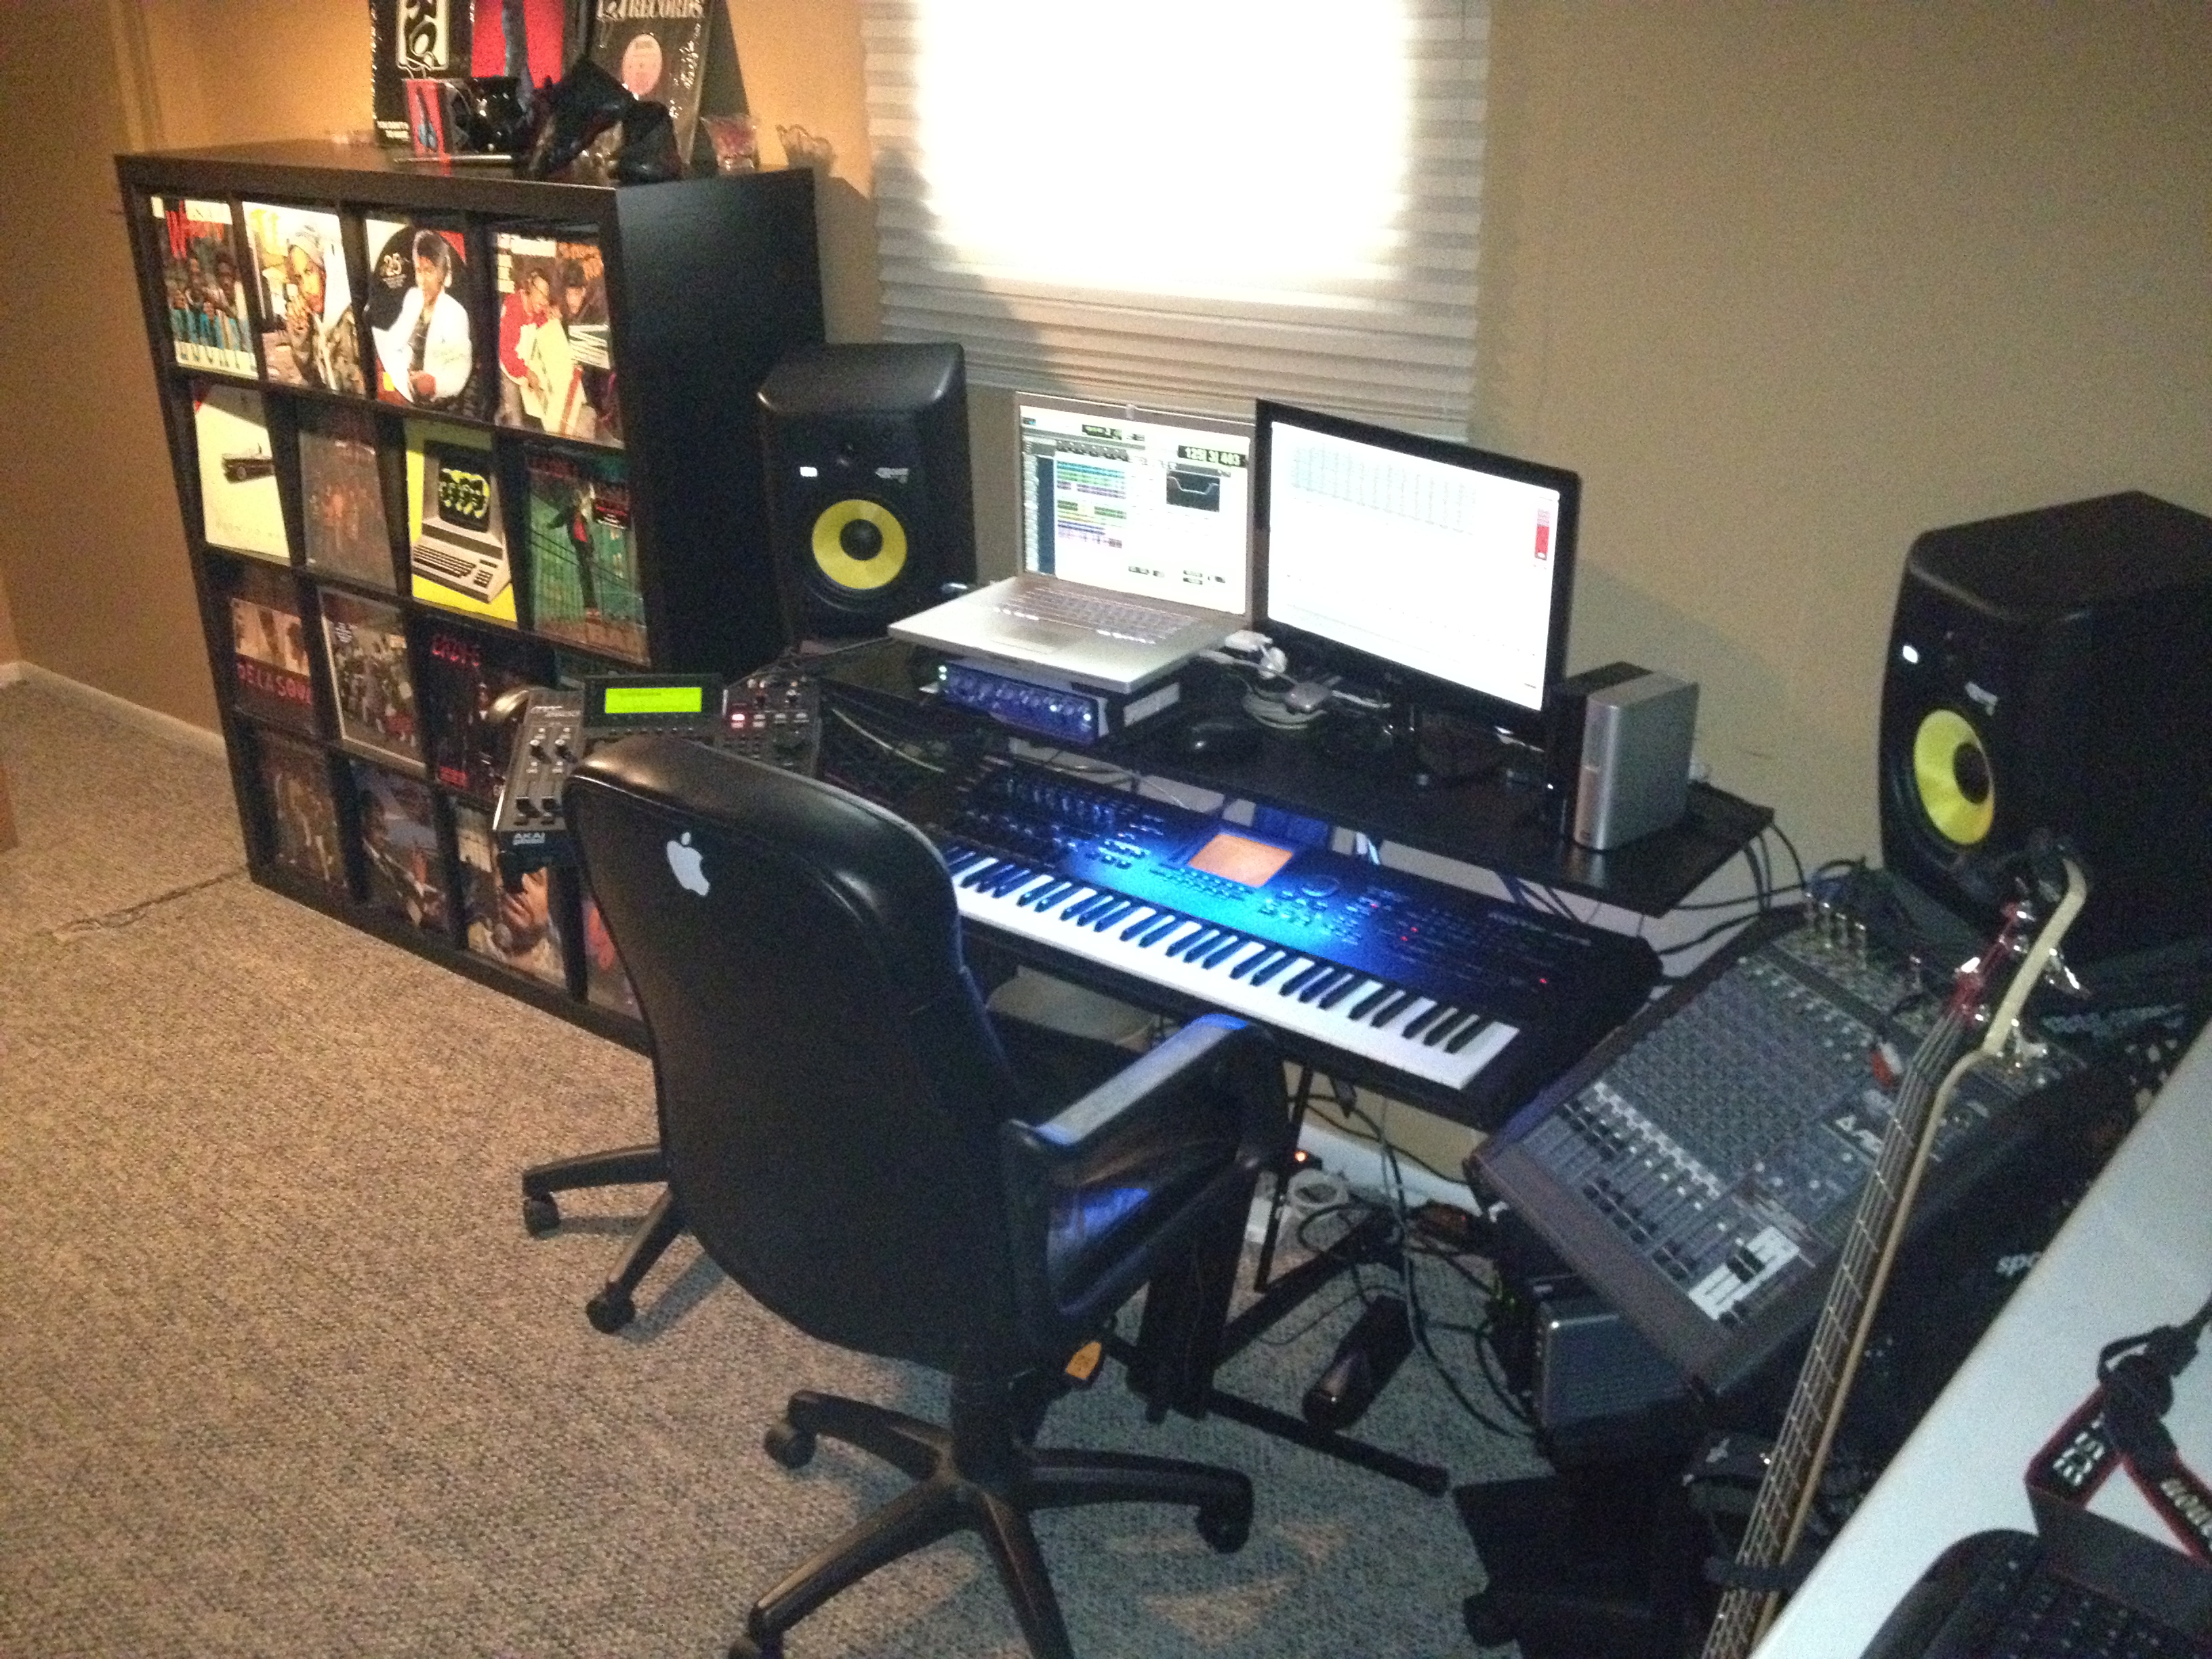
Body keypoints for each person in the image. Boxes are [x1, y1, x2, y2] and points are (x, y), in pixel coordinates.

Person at [373, 230, 473, 409]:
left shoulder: (455, 313)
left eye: (429, 271)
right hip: (406, 393)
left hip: (437, 403)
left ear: (443, 273)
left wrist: (434, 384)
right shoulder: (413, 297)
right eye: (419, 271)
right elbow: (394, 342)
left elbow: (461, 370)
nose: (422, 280)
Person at [280, 225, 363, 394]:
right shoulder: (315, 319)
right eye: (299, 278)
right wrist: (300, 340)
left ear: (326, 270)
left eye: (309, 272)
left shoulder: (355, 317)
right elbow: (313, 380)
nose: (306, 287)